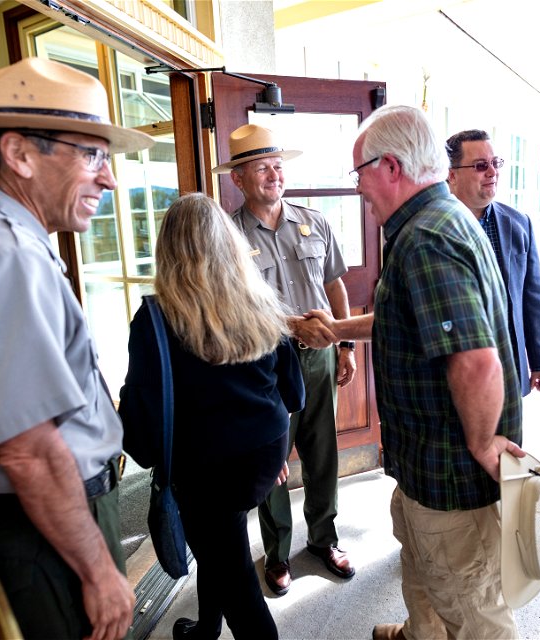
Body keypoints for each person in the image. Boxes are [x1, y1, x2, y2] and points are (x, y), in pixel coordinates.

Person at [0, 57, 155, 639]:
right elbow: (31, 451)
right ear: (20, 154)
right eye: (91, 155)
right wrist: (98, 570)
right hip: (47, 520)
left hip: (41, 514)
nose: (109, 178)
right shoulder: (9, 259)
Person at [309, 105, 526, 640]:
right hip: (425, 469)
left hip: (451, 475)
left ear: (390, 167)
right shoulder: (434, 222)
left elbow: (475, 360)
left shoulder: (426, 237)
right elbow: (412, 317)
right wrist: (337, 331)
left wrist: (482, 443)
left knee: (474, 611)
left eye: (358, 172)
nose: (357, 186)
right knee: (428, 574)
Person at [120, 193, 305, 640]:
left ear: (168, 251)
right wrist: (270, 447)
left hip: (207, 469)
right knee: (221, 546)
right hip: (264, 452)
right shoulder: (260, 300)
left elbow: (140, 427)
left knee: (234, 573)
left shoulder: (156, 320)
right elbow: (294, 393)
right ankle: (205, 627)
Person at [213, 124, 356, 595]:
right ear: (238, 178)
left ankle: (324, 538)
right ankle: (277, 554)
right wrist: (293, 326)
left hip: (319, 358)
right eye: (261, 168)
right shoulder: (226, 237)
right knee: (270, 457)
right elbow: (233, 310)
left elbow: (335, 283)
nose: (274, 175)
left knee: (323, 452)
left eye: (278, 166)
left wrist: (346, 344)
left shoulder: (314, 221)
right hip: (265, 364)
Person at [446, 129, 540, 396]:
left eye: (496, 163)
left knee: (510, 438)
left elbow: (533, 295)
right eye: (481, 166)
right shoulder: (433, 228)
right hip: (455, 367)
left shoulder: (518, 223)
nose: (492, 172)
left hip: (509, 364)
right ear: (451, 175)